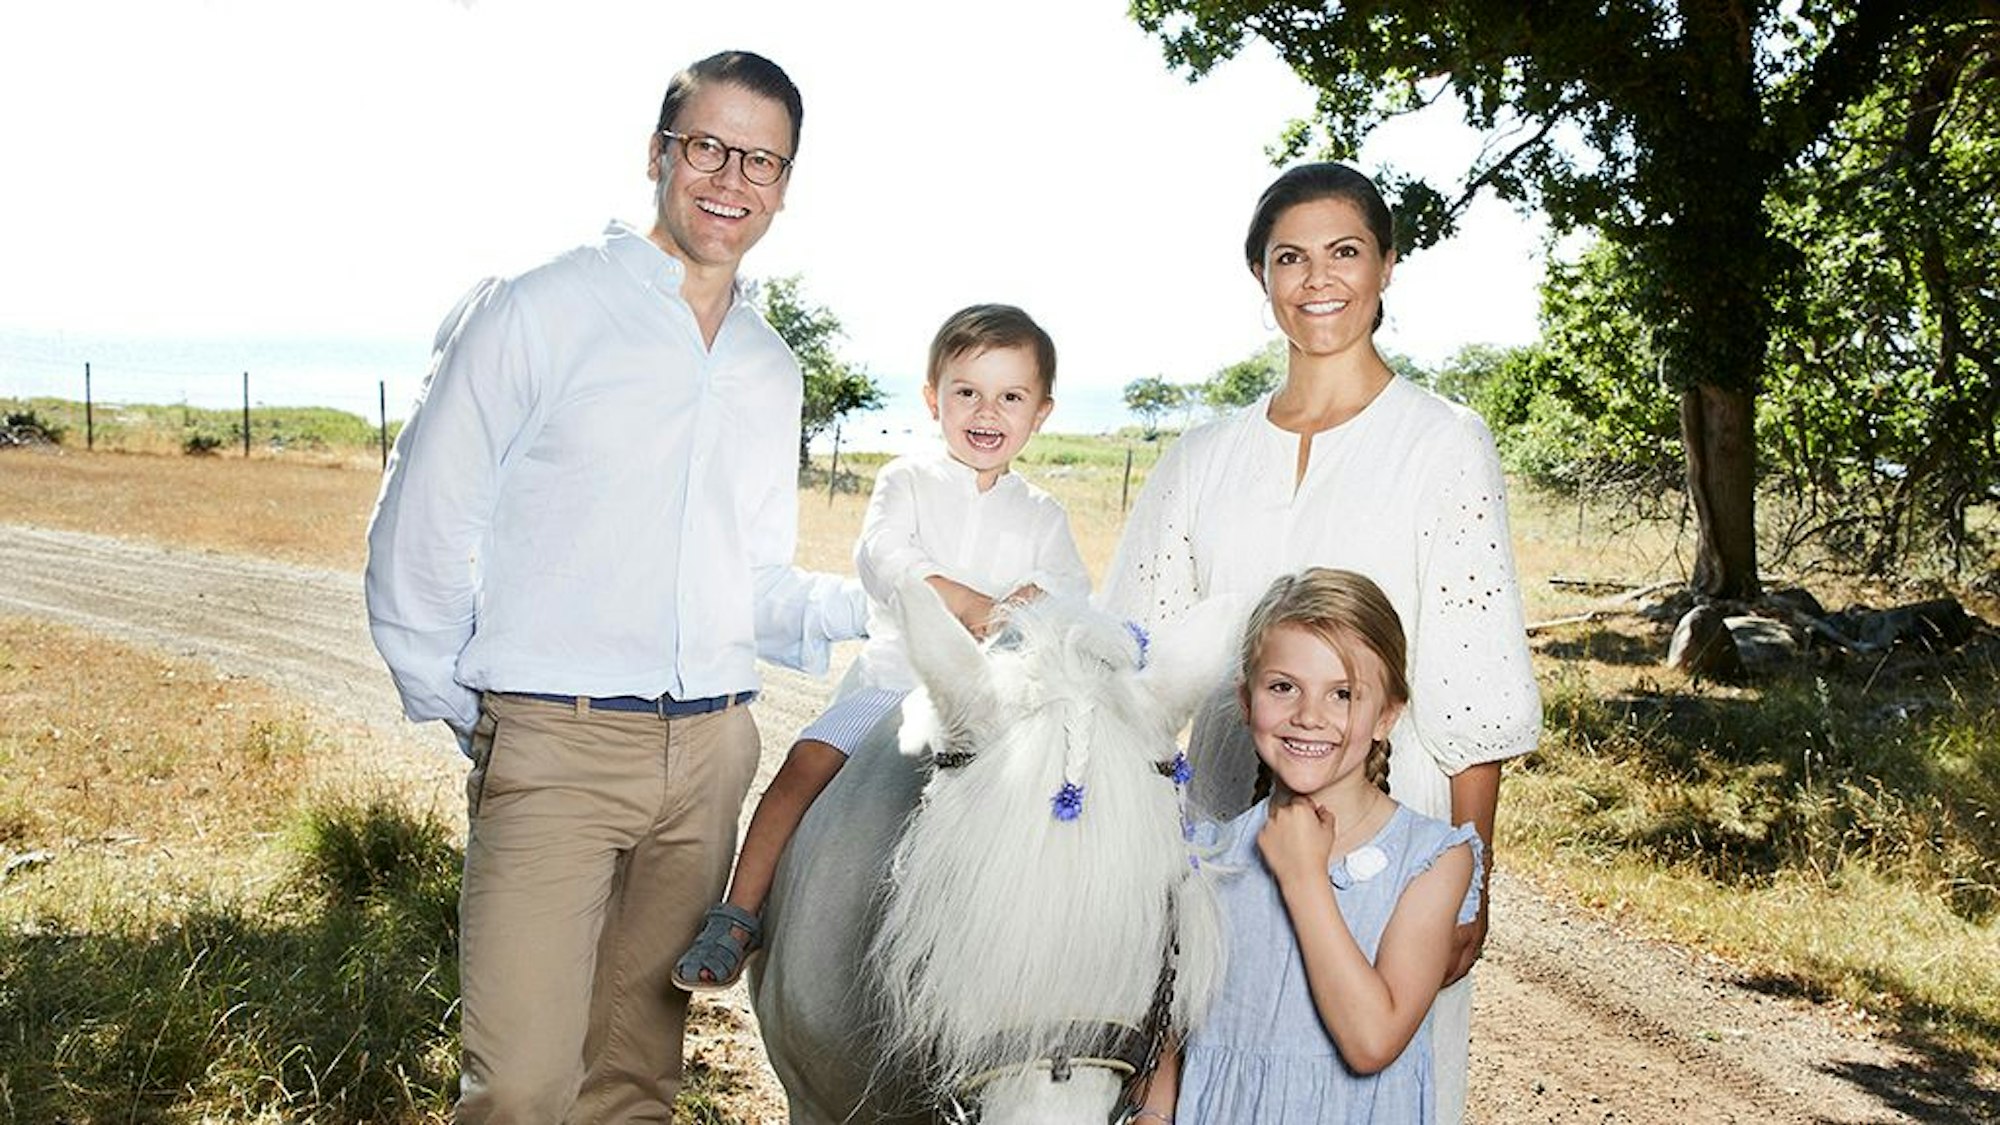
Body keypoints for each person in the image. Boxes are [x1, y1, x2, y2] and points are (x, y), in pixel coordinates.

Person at [364, 50, 868, 1123]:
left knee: (636, 1080)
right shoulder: (540, 310)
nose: (731, 179)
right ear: (659, 153)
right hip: (556, 742)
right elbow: (426, 515)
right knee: (521, 1088)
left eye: (762, 161)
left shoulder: (768, 368)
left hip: (711, 757)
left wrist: (895, 596)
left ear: (785, 184)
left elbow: (755, 578)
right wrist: (484, 712)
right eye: (708, 147)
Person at [1101, 161, 1541, 1123]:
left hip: (1394, 836)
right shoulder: (1201, 459)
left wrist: (1476, 870)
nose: (1318, 279)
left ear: (1387, 264)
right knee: (1211, 1076)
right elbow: (1133, 663)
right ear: (1260, 277)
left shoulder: (1443, 442)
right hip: (1225, 821)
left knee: (1368, 1081)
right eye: (1289, 257)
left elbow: (1473, 672)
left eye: (1345, 252)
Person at [673, 302, 1091, 990]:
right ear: (934, 399)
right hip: (894, 683)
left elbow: (1066, 590)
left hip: (997, 701)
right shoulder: (907, 482)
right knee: (805, 764)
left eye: (1010, 396)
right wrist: (968, 603)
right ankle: (739, 912)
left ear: (1040, 411)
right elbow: (885, 557)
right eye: (967, 393)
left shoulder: (1044, 515)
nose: (987, 413)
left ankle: (1057, 949)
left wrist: (1028, 606)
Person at [1138, 567, 1481, 1124]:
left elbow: (1372, 1041)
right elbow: (1173, 1040)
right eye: (1283, 687)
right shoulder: (1203, 858)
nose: (1308, 716)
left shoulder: (1431, 861)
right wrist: (1153, 1116)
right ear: (1246, 701)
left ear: (1386, 716)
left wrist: (1303, 878)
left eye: (1343, 694)